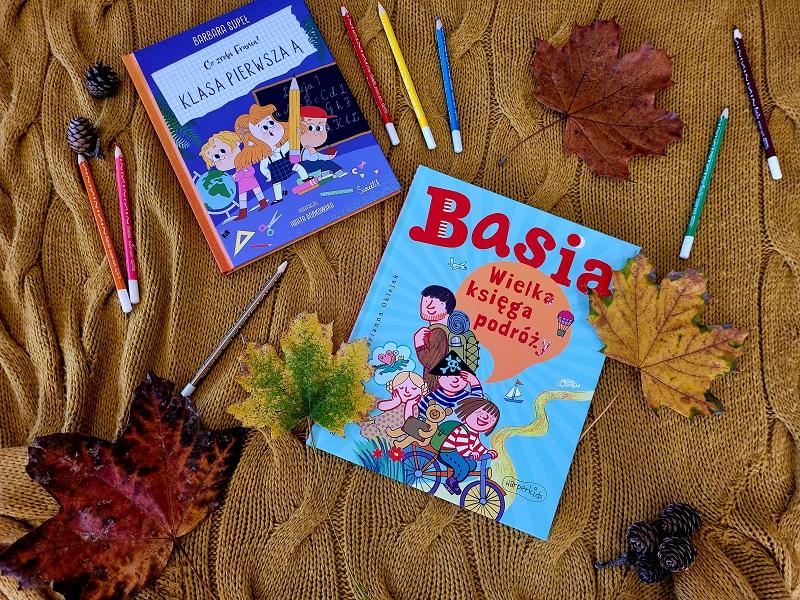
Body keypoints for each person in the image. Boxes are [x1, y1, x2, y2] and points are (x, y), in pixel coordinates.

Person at [245, 103, 306, 205]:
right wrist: (269, 175)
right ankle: (278, 197)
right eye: (264, 128)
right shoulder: (265, 155)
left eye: (271, 122)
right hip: (275, 170)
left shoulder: (280, 148)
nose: (269, 130)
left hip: (285, 164)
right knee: (276, 183)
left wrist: (295, 135)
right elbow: (263, 167)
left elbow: (288, 145)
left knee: (298, 167)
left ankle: (305, 178)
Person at [438, 397, 500, 496]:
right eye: (481, 413)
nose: (485, 417)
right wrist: (471, 453)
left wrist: (486, 452)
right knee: (464, 467)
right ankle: (452, 481)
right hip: (448, 452)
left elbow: (477, 445)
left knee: (472, 464)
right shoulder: (462, 430)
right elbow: (461, 447)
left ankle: (457, 475)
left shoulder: (474, 433)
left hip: (458, 452)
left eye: (491, 418)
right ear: (469, 411)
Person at [201, 130, 267, 219]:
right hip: (242, 185)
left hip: (252, 181)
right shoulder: (237, 170)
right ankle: (243, 213)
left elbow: (252, 171)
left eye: (222, 151)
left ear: (235, 144)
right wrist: (236, 176)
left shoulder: (245, 164)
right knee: (242, 197)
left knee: (257, 191)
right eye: (216, 157)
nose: (222, 157)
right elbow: (236, 179)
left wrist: (242, 174)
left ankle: (263, 203)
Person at [414, 285, 456, 394]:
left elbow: (432, 362)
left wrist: (419, 343)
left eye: (437, 302)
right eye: (426, 301)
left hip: (438, 389)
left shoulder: (439, 332)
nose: (429, 306)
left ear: (448, 307)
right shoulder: (445, 331)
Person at [417, 350, 482, 417]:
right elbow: (420, 412)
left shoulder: (465, 397)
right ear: (438, 377)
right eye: (448, 376)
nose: (455, 380)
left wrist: (474, 382)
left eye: (461, 377)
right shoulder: (433, 397)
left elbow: (478, 404)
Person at [297, 106, 345, 178]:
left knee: (327, 162)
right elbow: (314, 159)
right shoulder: (306, 149)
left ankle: (339, 172)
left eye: (320, 128)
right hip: (306, 167)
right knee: (321, 162)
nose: (317, 133)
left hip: (313, 164)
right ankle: (325, 174)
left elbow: (319, 156)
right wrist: (313, 152)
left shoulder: (310, 148)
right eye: (311, 128)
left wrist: (329, 157)